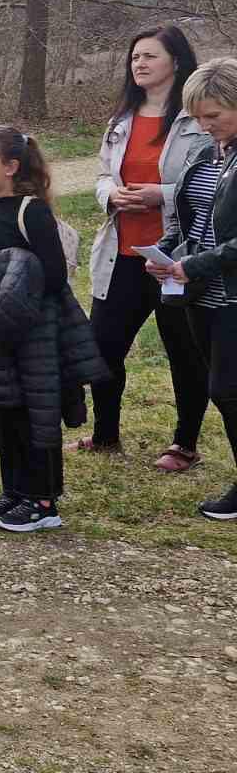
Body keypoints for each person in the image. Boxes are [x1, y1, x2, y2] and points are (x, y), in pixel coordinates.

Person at [0, 126, 98, 533]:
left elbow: (52, 275)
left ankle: (43, 500)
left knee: (35, 413)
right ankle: (15, 489)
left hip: (35, 332)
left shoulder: (31, 211)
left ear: (11, 166)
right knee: (1, 409)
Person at [84, 25, 209, 469]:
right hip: (122, 253)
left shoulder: (199, 119)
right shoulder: (121, 119)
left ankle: (184, 445)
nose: (139, 63)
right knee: (103, 347)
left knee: (185, 353)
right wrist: (110, 195)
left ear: (176, 60)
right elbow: (103, 174)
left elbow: (214, 183)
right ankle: (105, 436)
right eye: (135, 56)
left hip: (177, 258)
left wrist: (164, 195)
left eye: (150, 55)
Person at [148, 58, 237, 521]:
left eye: (214, 116)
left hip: (230, 292)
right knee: (222, 389)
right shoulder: (207, 151)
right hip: (199, 292)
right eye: (198, 117)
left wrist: (194, 264)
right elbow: (191, 217)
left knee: (228, 389)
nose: (204, 126)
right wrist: (165, 251)